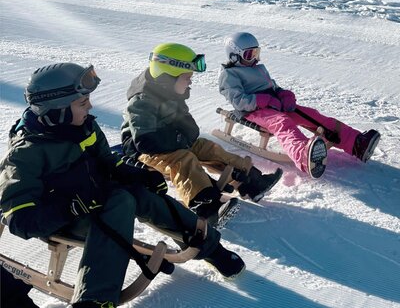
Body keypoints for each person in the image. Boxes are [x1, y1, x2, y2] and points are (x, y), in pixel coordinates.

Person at [0, 63, 246, 308]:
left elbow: (107, 161)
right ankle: (95, 299)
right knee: (121, 200)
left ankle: (207, 245)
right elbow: (20, 221)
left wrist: (137, 175)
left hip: (96, 200)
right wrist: (72, 208)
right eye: (82, 103)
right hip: (62, 220)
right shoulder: (26, 153)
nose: (91, 106)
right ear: (58, 111)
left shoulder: (84, 126)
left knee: (139, 192)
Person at [121, 43, 282, 228]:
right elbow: (144, 140)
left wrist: (185, 134)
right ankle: (206, 206)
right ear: (167, 78)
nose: (190, 81)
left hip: (172, 141)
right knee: (184, 160)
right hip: (146, 152)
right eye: (187, 77)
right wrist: (178, 140)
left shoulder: (171, 91)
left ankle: (252, 182)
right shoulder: (142, 102)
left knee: (208, 147)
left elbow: (186, 122)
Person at [218, 32, 380, 179]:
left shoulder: (257, 68)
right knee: (282, 122)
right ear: (234, 55)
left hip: (274, 103)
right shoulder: (229, 74)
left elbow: (272, 87)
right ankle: (303, 155)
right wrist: (265, 100)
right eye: (249, 55)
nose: (254, 58)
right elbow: (238, 101)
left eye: (256, 53)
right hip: (253, 111)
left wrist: (283, 94)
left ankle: (356, 143)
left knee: (312, 115)